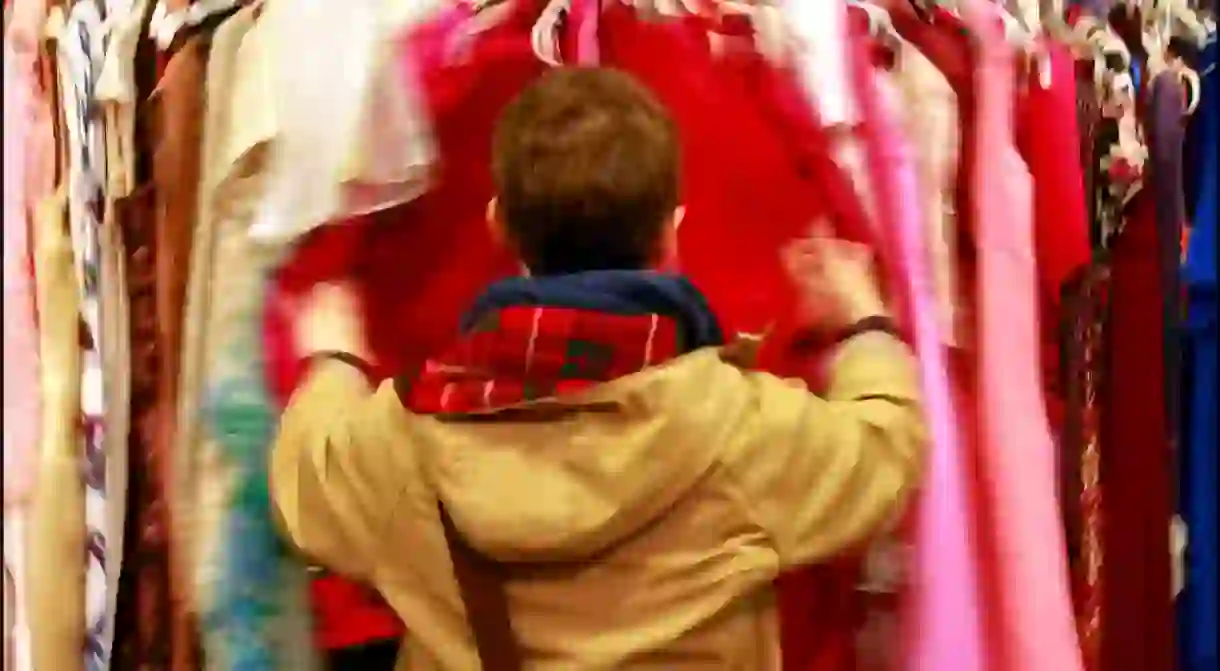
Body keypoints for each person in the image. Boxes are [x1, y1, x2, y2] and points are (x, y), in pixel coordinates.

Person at [271, 67, 926, 669]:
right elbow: (887, 447)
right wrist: (865, 323)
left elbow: (305, 486)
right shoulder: (743, 429)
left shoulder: (402, 442)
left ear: (499, 225)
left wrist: (334, 360)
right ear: (672, 231)